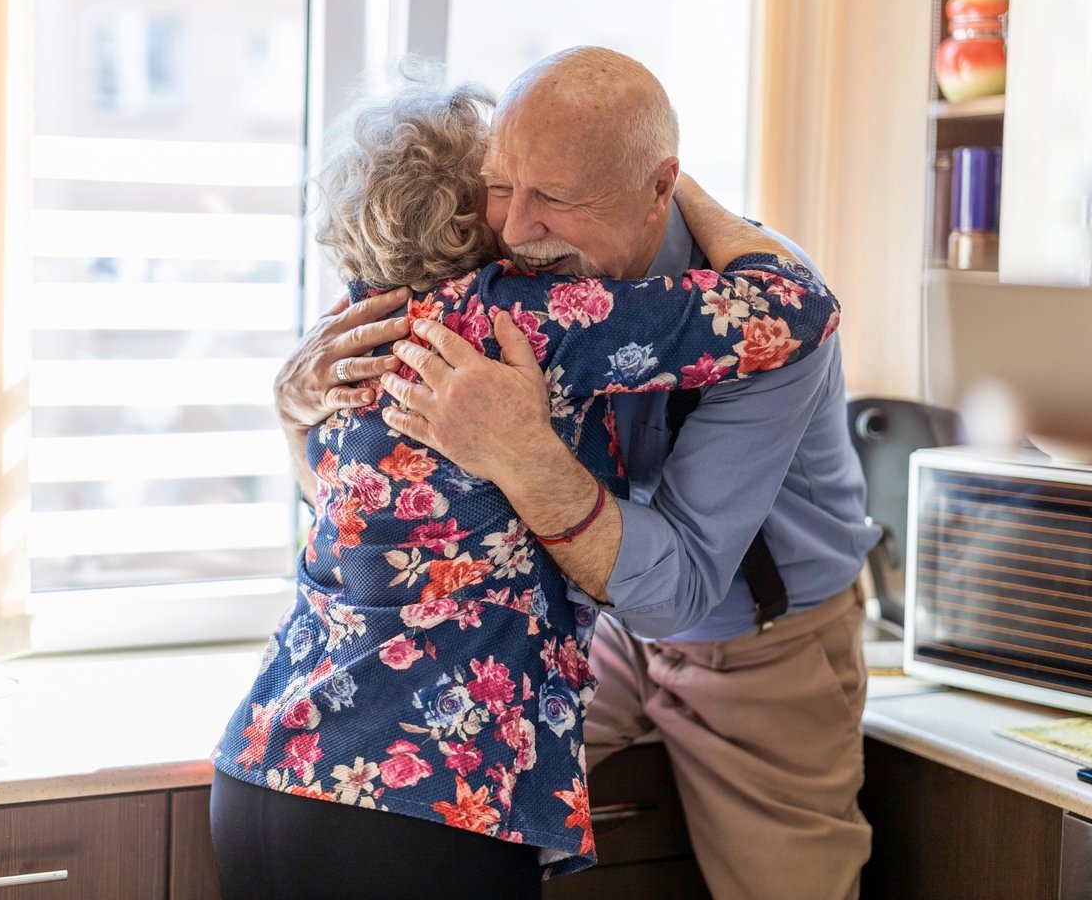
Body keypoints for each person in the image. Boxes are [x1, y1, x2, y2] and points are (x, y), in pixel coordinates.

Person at [211, 77, 843, 899]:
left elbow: (358, 517)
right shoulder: (536, 317)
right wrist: (285, 406)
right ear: (474, 204)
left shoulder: (357, 327)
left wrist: (303, 418)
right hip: (419, 795)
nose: (519, 220)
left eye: (549, 194)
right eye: (504, 187)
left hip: (273, 760)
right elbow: (795, 304)